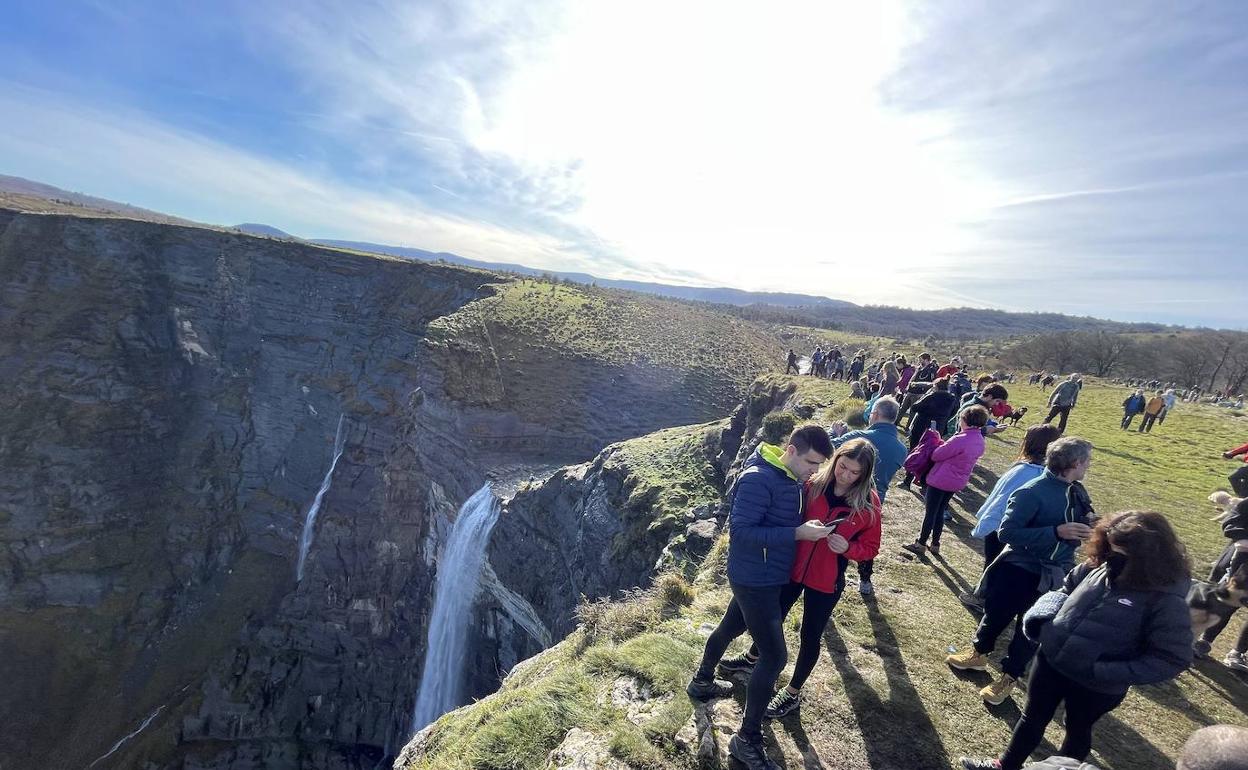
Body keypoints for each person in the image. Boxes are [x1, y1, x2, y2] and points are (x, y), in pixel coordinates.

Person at [959, 511, 1193, 770]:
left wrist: (1105, 671)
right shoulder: (1101, 565)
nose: (1113, 560)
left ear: (1150, 556)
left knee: (1076, 730)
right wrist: (1042, 621)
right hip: (1051, 661)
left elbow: (1171, 658)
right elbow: (1066, 588)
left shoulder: (1165, 600)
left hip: (1095, 685)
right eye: (1110, 547)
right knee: (1032, 718)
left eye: (1122, 554)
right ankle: (1005, 766)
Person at [686, 425, 835, 770]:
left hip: (761, 575)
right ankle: (746, 740)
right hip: (756, 580)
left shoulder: (789, 478)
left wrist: (803, 525)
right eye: (812, 462)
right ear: (791, 450)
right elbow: (741, 532)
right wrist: (797, 533)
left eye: (819, 465)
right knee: (774, 656)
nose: (814, 471)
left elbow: (774, 520)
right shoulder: (758, 478)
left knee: (730, 627)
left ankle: (702, 681)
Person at [718, 439, 882, 721]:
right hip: (791, 570)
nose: (845, 475)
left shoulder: (868, 505)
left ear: (864, 475)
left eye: (854, 473)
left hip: (826, 579)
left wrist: (849, 549)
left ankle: (792, 693)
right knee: (773, 618)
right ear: (835, 461)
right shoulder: (812, 484)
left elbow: (871, 548)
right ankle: (753, 658)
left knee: (810, 635)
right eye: (842, 466)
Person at [946, 437, 1095, 706]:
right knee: (997, 614)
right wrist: (1054, 532)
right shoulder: (1031, 491)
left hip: (1055, 573)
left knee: (1031, 627)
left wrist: (1088, 523)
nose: (1088, 466)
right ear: (1075, 462)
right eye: (1087, 461)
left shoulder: (1077, 491)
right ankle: (978, 654)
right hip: (1019, 569)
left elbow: (1081, 515)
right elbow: (1008, 532)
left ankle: (1009, 676)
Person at [960, 424, 1064, 608]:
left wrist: (987, 523)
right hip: (1025, 531)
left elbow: (1002, 501)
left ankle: (984, 599)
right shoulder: (1051, 476)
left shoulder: (1026, 472)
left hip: (1003, 527)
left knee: (994, 564)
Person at [827, 397, 907, 595]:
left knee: (836, 539)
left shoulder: (859, 438)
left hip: (844, 499)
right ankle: (865, 580)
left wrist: (835, 433)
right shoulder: (901, 449)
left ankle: (830, 579)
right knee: (865, 540)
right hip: (874, 502)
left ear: (875, 415)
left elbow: (829, 448)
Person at [903, 405, 989, 556]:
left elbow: (936, 455)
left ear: (965, 420)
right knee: (940, 510)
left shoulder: (960, 439)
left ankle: (921, 543)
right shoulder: (980, 440)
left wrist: (940, 444)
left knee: (930, 512)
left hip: (941, 479)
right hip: (957, 481)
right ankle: (935, 544)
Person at [1193, 496, 1248, 669]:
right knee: (1226, 601)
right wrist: (1242, 538)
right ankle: (1202, 641)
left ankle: (1237, 653)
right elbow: (1235, 517)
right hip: (1243, 562)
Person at [898, 377, 959, 490]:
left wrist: (924, 398)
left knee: (916, 452)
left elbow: (915, 407)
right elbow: (953, 413)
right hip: (937, 430)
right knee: (930, 455)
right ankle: (924, 482)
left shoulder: (932, 396)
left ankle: (907, 480)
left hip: (922, 428)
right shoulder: (952, 399)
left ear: (935, 386)